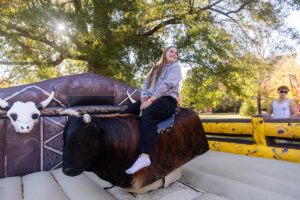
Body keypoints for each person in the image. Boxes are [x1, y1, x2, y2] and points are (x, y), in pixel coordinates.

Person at [121, 46, 182, 174]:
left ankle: (145, 156)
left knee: (148, 116)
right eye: (171, 51)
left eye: (176, 53)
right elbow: (145, 84)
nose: (174, 54)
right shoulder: (155, 68)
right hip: (149, 99)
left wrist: (150, 101)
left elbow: (167, 85)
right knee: (126, 113)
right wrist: (143, 97)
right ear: (165, 53)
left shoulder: (175, 67)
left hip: (166, 99)